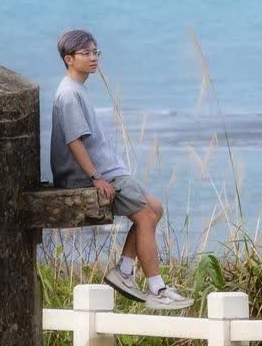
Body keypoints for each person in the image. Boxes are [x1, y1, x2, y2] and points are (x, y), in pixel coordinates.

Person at [50, 29, 192, 310]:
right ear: (69, 59)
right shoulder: (68, 95)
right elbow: (74, 141)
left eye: (95, 52)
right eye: (86, 53)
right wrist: (96, 178)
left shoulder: (77, 90)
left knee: (155, 209)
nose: (93, 58)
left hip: (106, 169)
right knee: (148, 213)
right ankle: (158, 288)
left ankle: (125, 271)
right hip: (94, 174)